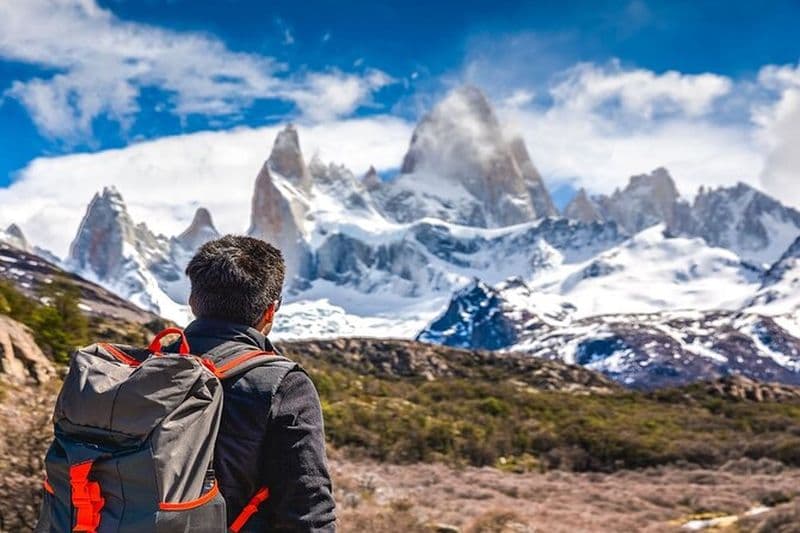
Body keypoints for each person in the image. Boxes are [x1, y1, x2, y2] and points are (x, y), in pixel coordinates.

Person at [178, 235, 335, 532]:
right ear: (270, 311)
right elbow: (309, 513)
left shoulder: (150, 367)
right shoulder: (283, 386)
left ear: (192, 302)